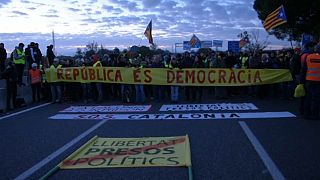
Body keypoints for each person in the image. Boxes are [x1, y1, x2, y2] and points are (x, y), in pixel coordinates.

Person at [300, 44, 320, 120]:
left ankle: (306, 114)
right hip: (318, 81)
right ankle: (315, 115)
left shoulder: (308, 57)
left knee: (308, 97)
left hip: (309, 80)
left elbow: (304, 70)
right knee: (316, 98)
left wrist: (301, 82)